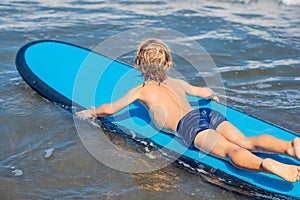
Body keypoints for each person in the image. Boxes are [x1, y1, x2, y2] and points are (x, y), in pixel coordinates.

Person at [76, 38, 300, 182]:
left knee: (230, 152)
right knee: (245, 141)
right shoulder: (177, 82)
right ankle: (289, 147)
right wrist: (211, 94)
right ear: (169, 64)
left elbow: (110, 109)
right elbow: (202, 91)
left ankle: (264, 164)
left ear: (138, 66)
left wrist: (90, 113)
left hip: (190, 126)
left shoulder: (140, 91)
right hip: (206, 114)